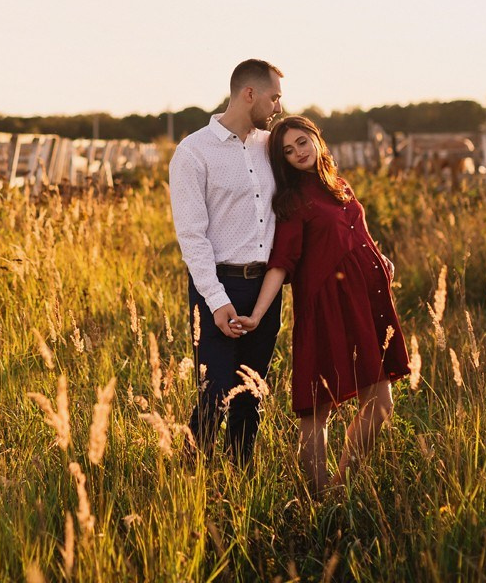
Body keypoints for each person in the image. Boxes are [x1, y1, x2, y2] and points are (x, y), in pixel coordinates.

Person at [237, 115, 410, 493]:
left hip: (364, 303)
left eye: (302, 142)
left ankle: (341, 485)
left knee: (380, 403)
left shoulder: (339, 185)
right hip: (327, 308)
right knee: (317, 411)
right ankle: (318, 495)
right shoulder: (294, 201)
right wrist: (257, 314)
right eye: (287, 151)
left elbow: (355, 232)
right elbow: (282, 263)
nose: (298, 152)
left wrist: (380, 259)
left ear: (316, 139)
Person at [168, 59, 284, 465]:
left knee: (251, 397)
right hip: (217, 287)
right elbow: (192, 237)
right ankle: (188, 482)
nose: (278, 108)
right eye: (274, 97)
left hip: (265, 289)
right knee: (214, 390)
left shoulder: (271, 146)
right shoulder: (193, 151)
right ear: (249, 94)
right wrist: (216, 301)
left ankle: (240, 485)